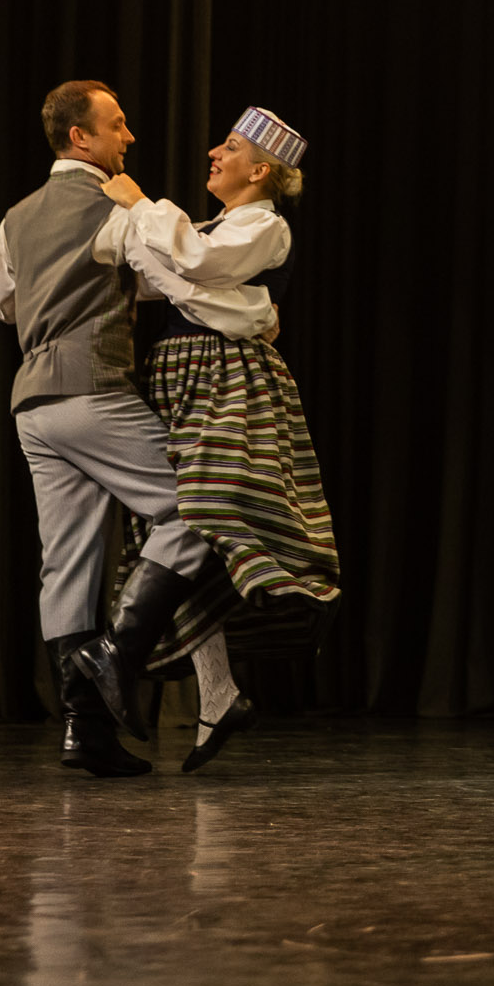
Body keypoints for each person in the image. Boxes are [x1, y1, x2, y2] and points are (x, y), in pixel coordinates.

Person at [0, 80, 214, 777]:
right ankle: (117, 654)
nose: (129, 136)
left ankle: (86, 732)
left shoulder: (17, 217)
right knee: (199, 505)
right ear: (81, 137)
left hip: (33, 405)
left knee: (68, 560)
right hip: (90, 390)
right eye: (118, 124)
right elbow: (174, 277)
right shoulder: (111, 208)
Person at [101, 108, 339, 773]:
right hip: (179, 372)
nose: (213, 152)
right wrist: (242, 306)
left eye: (229, 147)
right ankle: (218, 695)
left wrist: (143, 207)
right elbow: (160, 274)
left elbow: (195, 266)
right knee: (177, 529)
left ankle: (127, 653)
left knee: (205, 510)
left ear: (259, 170)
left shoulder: (264, 225)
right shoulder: (204, 227)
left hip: (227, 375)